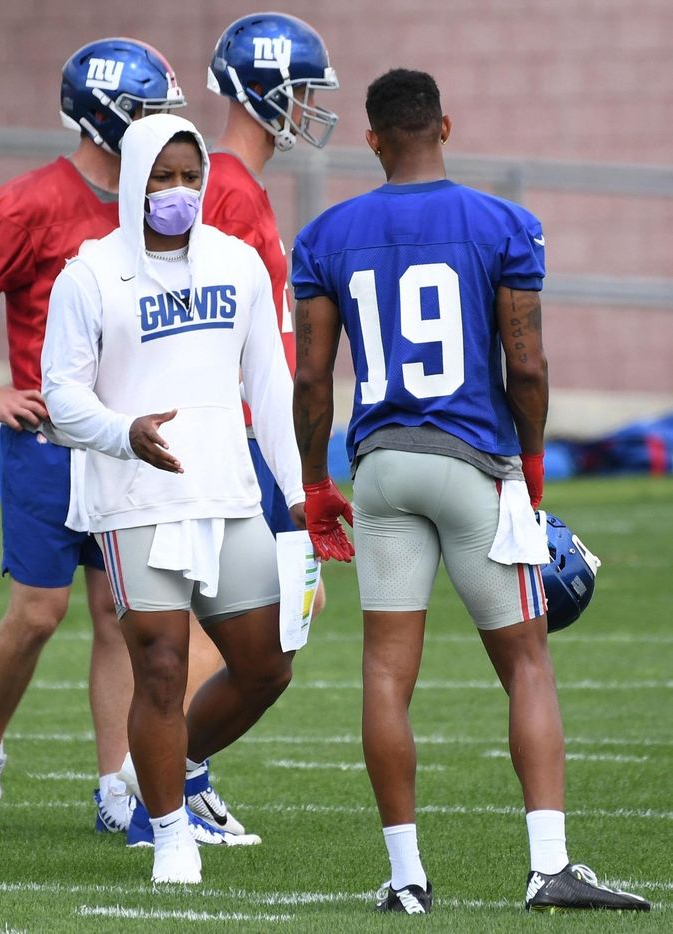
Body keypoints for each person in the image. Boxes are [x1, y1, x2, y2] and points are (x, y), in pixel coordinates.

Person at [291, 68, 651, 915]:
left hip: (379, 463)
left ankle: (406, 879)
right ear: (444, 127)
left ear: (372, 137)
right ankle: (549, 866)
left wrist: (315, 484)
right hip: (472, 461)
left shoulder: (325, 234)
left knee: (386, 671)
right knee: (527, 665)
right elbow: (524, 363)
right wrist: (529, 465)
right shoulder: (501, 222)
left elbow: (311, 381)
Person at [0, 37, 231, 838]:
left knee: (118, 615)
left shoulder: (156, 205)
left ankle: (117, 783)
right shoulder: (33, 200)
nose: (164, 128)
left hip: (127, 444)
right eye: (150, 109)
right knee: (36, 613)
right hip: (53, 440)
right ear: (107, 115)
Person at [41, 112, 303, 884]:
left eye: (191, 176)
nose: (180, 191)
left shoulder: (238, 263)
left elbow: (270, 384)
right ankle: (169, 836)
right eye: (163, 176)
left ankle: (177, 767)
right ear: (132, 182)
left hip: (228, 493)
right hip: (134, 498)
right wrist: (125, 432)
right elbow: (60, 395)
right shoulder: (89, 273)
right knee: (160, 664)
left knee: (267, 667)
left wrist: (301, 495)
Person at [203, 11, 340, 617]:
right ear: (269, 89)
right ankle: (176, 719)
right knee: (244, 620)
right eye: (303, 90)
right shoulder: (226, 188)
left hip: (262, 430)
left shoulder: (241, 185)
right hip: (240, 434)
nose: (309, 106)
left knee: (288, 611)